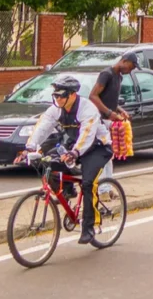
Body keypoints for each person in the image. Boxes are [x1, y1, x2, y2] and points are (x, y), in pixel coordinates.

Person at [21, 75, 113, 245]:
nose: (57, 99)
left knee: (88, 183)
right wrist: (29, 147)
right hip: (72, 147)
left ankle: (89, 227)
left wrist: (75, 152)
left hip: (97, 147)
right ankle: (68, 190)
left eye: (61, 95)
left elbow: (87, 134)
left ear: (72, 95)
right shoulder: (56, 108)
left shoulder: (87, 109)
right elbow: (43, 126)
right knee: (48, 164)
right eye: (55, 95)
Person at [89, 53, 136, 123]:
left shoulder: (119, 77)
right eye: (130, 68)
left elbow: (110, 101)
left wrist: (121, 111)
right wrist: (109, 112)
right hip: (98, 121)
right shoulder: (107, 74)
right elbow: (93, 96)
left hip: (110, 122)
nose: (129, 72)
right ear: (124, 61)